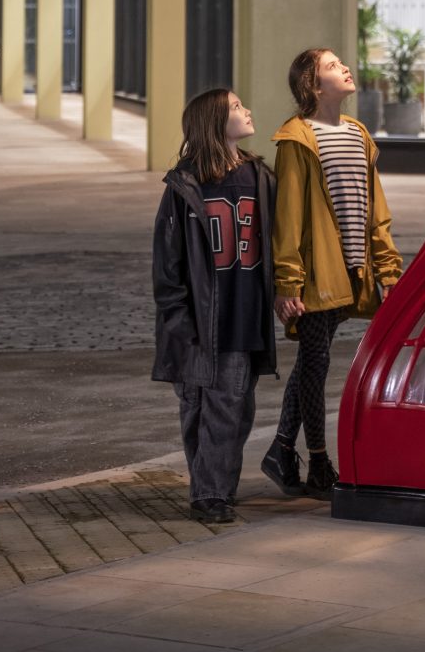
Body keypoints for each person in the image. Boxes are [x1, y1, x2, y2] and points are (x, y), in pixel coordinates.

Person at [261, 48, 402, 500]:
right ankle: (318, 460)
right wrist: (288, 282)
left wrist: (388, 269)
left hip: (352, 268)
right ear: (313, 86)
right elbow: (288, 217)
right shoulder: (297, 140)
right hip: (318, 271)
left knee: (312, 361)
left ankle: (283, 450)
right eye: (331, 65)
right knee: (316, 363)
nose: (344, 67)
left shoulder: (358, 134)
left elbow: (376, 210)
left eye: (342, 62)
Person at [152, 88, 277, 524]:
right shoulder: (185, 185)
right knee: (198, 408)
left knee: (232, 407)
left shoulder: (259, 177)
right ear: (214, 122)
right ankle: (211, 491)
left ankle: (211, 491)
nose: (247, 111)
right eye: (238, 107)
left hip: (243, 314)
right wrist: (179, 319)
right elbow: (166, 263)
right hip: (198, 321)